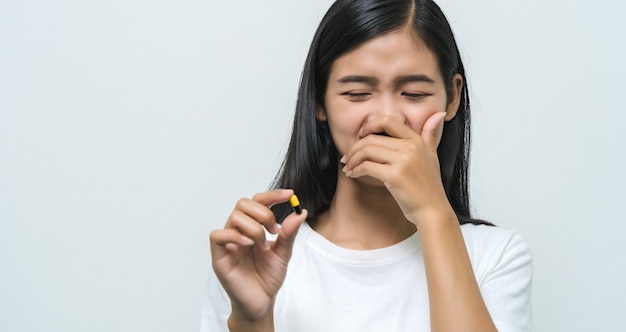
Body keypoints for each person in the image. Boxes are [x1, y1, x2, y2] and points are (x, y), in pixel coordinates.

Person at [202, 0, 533, 331]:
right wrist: (252, 319)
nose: (385, 118)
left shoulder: (495, 256)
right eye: (358, 93)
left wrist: (433, 213)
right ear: (320, 101)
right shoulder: (253, 252)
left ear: (452, 97)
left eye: (414, 93)